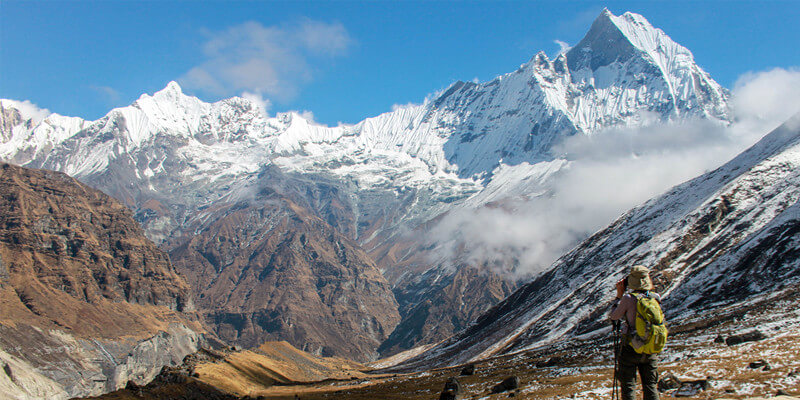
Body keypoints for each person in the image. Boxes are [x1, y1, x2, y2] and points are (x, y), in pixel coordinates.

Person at [610, 265, 660, 400]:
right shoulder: (655, 298)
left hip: (631, 348)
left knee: (629, 386)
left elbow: (614, 316)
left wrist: (618, 296)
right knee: (650, 386)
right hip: (650, 348)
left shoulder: (628, 298)